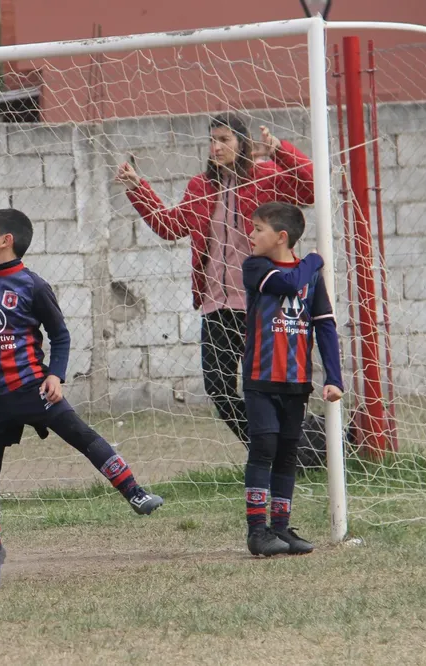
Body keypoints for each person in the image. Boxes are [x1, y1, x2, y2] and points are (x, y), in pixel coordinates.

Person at [0, 209, 165, 590]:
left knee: (83, 436)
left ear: (6, 240)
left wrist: (55, 374)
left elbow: (61, 336)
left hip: (33, 388)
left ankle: (135, 493)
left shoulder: (33, 285)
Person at [117, 114, 314, 448]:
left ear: (242, 142)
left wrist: (281, 151)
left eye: (224, 140)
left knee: (266, 388)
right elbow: (169, 226)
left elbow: (308, 189)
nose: (216, 146)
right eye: (212, 140)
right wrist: (138, 187)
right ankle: (271, 450)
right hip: (216, 305)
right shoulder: (200, 186)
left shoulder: (267, 176)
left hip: (263, 303)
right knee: (218, 388)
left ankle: (294, 449)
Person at [240, 202, 343, 557]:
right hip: (260, 379)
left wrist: (334, 377)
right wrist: (314, 260)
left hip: (296, 382)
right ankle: (257, 531)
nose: (251, 235)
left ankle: (280, 529)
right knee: (264, 446)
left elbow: (325, 325)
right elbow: (288, 282)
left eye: (257, 229)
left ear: (281, 236)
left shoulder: (310, 277)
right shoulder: (256, 267)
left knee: (287, 453)